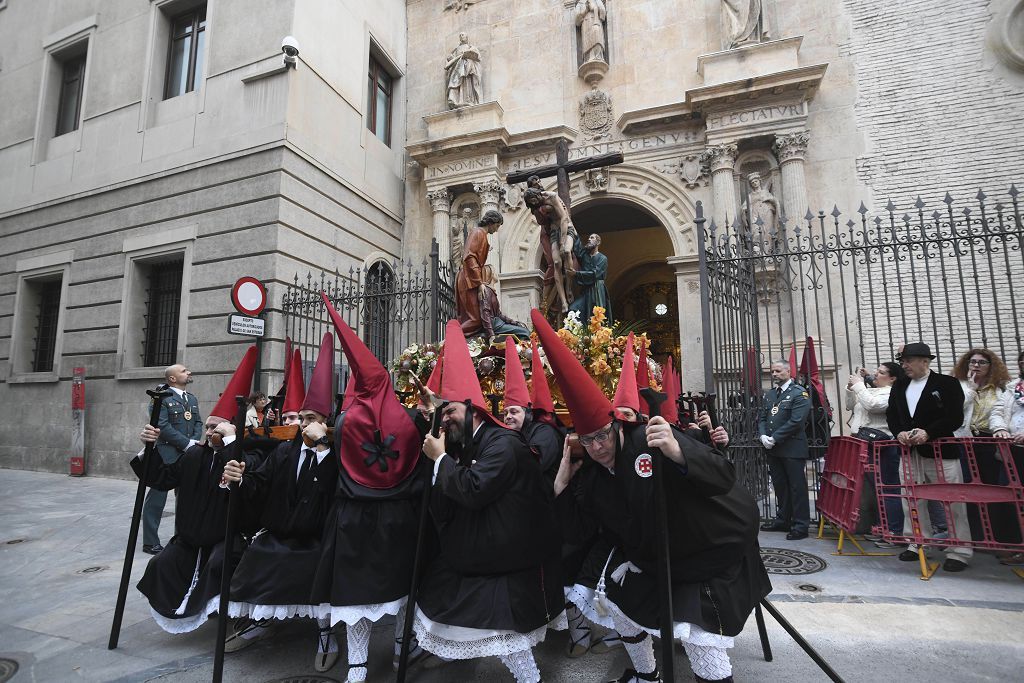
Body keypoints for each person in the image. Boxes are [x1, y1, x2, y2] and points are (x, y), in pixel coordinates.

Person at [535, 309, 770, 683]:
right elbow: (581, 531)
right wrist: (560, 486)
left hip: (708, 550)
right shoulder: (593, 476)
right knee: (618, 602)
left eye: (602, 435)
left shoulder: (651, 440)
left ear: (616, 425)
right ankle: (647, 673)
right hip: (654, 559)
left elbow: (722, 475)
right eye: (588, 439)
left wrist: (679, 452)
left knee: (699, 635)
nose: (597, 447)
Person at [413, 320, 563, 683]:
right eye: (443, 415)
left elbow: (474, 489)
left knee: (506, 633)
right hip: (485, 548)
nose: (445, 421)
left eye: (450, 413)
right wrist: (434, 414)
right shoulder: (473, 439)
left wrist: (440, 459)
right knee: (495, 630)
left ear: (474, 411)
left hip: (508, 554)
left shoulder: (502, 444)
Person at [311, 295, 433, 680]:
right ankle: (400, 650)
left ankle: (358, 668)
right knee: (401, 588)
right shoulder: (411, 419)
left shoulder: (345, 422)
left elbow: (334, 472)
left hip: (354, 520)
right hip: (400, 517)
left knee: (356, 597)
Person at [220, 333, 338, 668]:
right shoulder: (285, 451)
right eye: (301, 418)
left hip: (317, 538)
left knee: (318, 569)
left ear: (325, 423)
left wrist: (324, 450)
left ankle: (325, 634)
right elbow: (261, 481)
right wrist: (241, 478)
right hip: (280, 533)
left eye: (312, 418)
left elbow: (336, 486)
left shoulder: (333, 454)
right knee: (259, 556)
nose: (304, 425)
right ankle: (261, 621)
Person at [134, 347, 258, 633]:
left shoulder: (243, 457)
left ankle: (230, 614)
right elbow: (163, 479)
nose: (209, 430)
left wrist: (230, 445)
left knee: (218, 565)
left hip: (224, 539)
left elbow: (248, 488)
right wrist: (147, 450)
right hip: (189, 539)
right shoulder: (193, 456)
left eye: (218, 426)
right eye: (209, 425)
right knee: (160, 565)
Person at [886, 342, 971, 572]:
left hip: (940, 451)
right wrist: (899, 432)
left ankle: (959, 550)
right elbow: (892, 414)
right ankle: (917, 543)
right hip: (910, 451)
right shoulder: (900, 385)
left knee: (952, 499)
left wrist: (929, 432)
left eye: (907, 360)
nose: (904, 365)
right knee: (911, 498)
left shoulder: (947, 384)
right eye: (902, 361)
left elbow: (955, 417)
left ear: (925, 361)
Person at [952, 348, 1013, 547]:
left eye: (981, 362)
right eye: (972, 362)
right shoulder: (959, 386)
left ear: (991, 366)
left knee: (991, 488)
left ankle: (994, 537)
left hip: (990, 443)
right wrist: (970, 389)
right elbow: (954, 411)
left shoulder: (1001, 388)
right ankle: (973, 537)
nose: (976, 365)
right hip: (965, 442)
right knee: (966, 488)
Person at [142, 363, 203, 555]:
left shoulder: (191, 399)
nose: (189, 372)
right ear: (172, 378)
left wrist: (194, 441)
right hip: (167, 454)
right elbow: (162, 426)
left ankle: (181, 537)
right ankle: (150, 541)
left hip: (188, 453)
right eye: (184, 371)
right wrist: (186, 443)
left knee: (185, 497)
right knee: (157, 498)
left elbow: (198, 422)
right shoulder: (160, 398)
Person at [846, 362, 905, 547]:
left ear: (893, 378)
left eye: (880, 372)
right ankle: (882, 527)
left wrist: (859, 385)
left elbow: (872, 406)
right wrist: (851, 389)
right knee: (876, 488)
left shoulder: (891, 393)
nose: (875, 375)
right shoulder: (870, 391)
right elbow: (851, 406)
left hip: (884, 445)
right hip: (867, 444)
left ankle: (895, 531)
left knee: (888, 487)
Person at [758, 360, 812, 540]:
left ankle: (800, 525)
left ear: (789, 371)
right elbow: (763, 418)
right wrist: (763, 435)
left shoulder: (799, 393)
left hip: (792, 447)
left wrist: (775, 437)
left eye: (778, 371)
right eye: (772, 371)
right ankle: (783, 519)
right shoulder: (771, 394)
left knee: (797, 487)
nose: (774, 374)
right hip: (773, 449)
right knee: (780, 486)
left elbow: (796, 421)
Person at [990, 350, 1024, 564]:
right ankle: (1015, 545)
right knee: (1010, 499)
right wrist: (1000, 429)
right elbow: (997, 411)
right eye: (1021, 361)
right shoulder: (1013, 388)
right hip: (1012, 451)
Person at [524, 180, 575, 316]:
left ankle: (569, 288)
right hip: (553, 232)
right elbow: (543, 222)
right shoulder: (536, 208)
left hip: (566, 228)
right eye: (531, 201)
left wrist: (563, 240)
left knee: (567, 252)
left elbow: (564, 218)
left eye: (535, 199)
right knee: (556, 263)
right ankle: (563, 301)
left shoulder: (551, 197)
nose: (534, 202)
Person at [455, 210, 503, 337]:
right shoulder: (478, 233)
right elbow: (469, 257)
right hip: (469, 278)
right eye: (497, 226)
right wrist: (480, 283)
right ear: (491, 222)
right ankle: (451, 338)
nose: (497, 230)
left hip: (470, 277)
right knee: (475, 319)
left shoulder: (480, 234)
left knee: (474, 318)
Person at [569, 233, 612, 328]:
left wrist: (576, 274)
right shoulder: (585, 255)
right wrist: (574, 233)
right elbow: (577, 249)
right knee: (573, 309)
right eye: (588, 237)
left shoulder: (602, 258)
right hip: (586, 291)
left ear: (598, 242)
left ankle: (597, 339)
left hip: (597, 290)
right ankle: (580, 335)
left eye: (592, 238)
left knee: (596, 317)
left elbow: (595, 274)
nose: (589, 239)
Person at [445, 32, 482, 109]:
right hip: (457, 70)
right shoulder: (456, 49)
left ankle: (468, 100)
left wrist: (468, 57)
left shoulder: (470, 47)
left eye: (463, 35)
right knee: (455, 82)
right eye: (460, 35)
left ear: (467, 37)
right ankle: (457, 100)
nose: (461, 36)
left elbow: (477, 57)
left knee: (467, 82)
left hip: (467, 69)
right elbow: (450, 60)